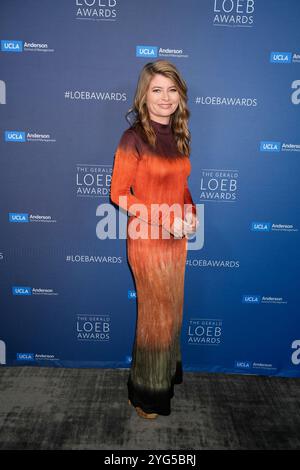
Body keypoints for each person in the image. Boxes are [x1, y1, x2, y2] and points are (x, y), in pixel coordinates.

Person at [110, 60, 199, 419]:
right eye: (157, 90)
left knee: (172, 313)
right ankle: (146, 394)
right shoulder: (133, 138)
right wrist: (165, 218)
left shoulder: (178, 135)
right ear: (144, 95)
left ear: (180, 95)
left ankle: (165, 375)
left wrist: (190, 213)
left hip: (176, 241)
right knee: (155, 319)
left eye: (172, 90)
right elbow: (118, 194)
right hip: (147, 242)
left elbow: (182, 187)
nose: (165, 98)